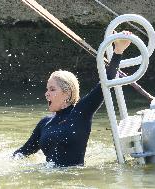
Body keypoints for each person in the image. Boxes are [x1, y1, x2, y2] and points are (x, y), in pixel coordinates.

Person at [13, 31, 132, 167]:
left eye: (52, 89)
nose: (47, 94)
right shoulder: (44, 123)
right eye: (47, 89)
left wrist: (118, 51)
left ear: (67, 93)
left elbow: (105, 84)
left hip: (73, 179)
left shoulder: (81, 113)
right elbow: (23, 152)